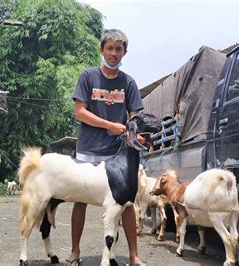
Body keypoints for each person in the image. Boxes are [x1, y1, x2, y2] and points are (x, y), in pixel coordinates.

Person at [66, 29, 146, 266]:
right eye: (109, 48)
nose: (113, 53)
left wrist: (138, 137)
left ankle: (133, 256)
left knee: (127, 203)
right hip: (88, 149)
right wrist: (110, 125)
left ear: (125, 52)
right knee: (80, 199)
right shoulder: (88, 77)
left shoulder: (128, 83)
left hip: (117, 153)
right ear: (101, 50)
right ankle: (74, 252)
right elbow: (80, 112)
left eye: (118, 49)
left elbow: (135, 118)